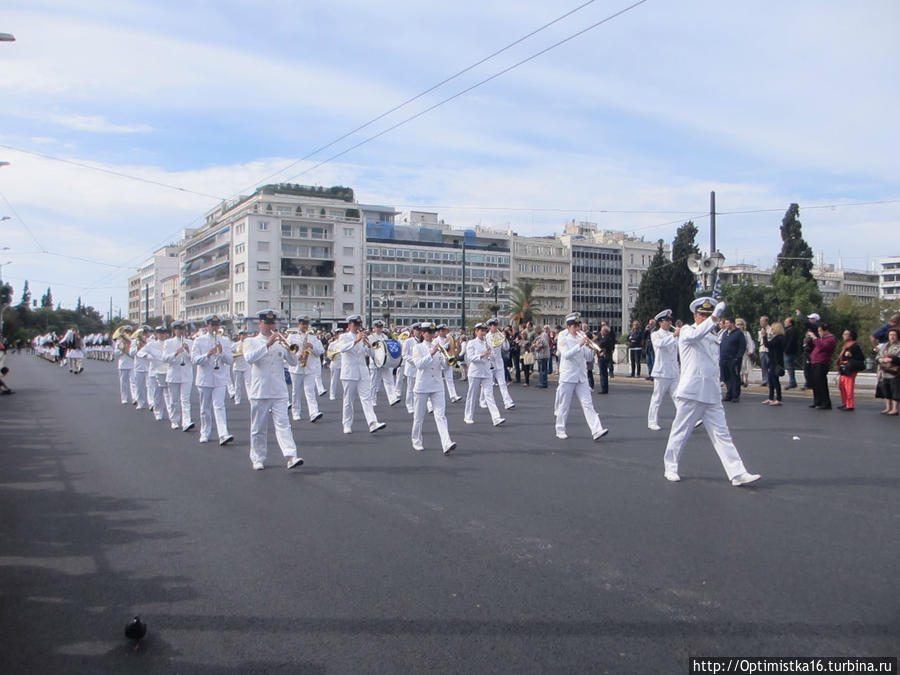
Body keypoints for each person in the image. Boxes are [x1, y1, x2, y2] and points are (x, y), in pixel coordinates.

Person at [662, 298, 761, 486]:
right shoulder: (687, 331)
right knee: (681, 431)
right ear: (695, 315)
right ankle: (670, 466)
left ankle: (737, 473)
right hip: (692, 391)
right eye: (703, 314)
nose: (706, 317)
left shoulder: (713, 336)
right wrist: (715, 317)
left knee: (722, 434)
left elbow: (713, 365)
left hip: (711, 393)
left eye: (708, 314)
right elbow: (697, 333)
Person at [243, 309, 304, 470]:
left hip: (279, 390)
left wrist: (293, 352)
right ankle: (258, 457)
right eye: (267, 323)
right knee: (258, 427)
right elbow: (249, 358)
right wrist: (268, 343)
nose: (270, 326)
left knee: (283, 424)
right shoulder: (251, 341)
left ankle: (291, 456)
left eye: (272, 323)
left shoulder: (280, 342)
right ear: (260, 324)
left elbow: (292, 362)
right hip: (260, 390)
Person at [554, 314, 608, 441]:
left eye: (578, 326)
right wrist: (580, 344)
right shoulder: (563, 336)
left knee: (588, 404)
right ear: (568, 327)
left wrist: (593, 349)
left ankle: (596, 430)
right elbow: (566, 355)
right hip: (568, 375)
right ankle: (560, 429)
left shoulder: (582, 335)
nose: (577, 328)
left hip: (581, 376)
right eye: (574, 326)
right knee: (564, 405)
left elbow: (587, 357)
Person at [410, 322, 456, 454]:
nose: (432, 335)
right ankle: (416, 440)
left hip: (437, 385)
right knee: (419, 416)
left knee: (441, 415)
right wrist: (431, 353)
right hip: (422, 385)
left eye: (433, 332)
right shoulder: (417, 348)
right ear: (423, 334)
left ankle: (446, 443)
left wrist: (448, 358)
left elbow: (444, 367)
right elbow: (419, 365)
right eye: (429, 333)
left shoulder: (438, 348)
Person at [336, 315, 387, 434]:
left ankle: (372, 422)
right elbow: (342, 349)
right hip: (349, 372)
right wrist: (357, 340)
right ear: (349, 325)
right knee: (348, 400)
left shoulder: (364, 338)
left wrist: (370, 345)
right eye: (355, 325)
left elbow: (369, 352)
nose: (358, 327)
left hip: (362, 371)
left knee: (366, 398)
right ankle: (347, 424)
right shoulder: (344, 337)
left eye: (359, 325)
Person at [190, 315, 234, 445]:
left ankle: (223, 434)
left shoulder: (225, 341)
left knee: (219, 406)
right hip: (205, 378)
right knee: (205, 408)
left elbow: (230, 360)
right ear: (207, 326)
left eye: (216, 325)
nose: (214, 328)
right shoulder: (199, 341)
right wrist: (208, 354)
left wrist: (221, 352)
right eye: (212, 325)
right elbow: (194, 360)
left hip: (219, 378)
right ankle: (205, 432)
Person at [463, 323, 505, 427]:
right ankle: (468, 416)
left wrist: (492, 352)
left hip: (487, 372)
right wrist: (482, 355)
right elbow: (470, 358)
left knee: (489, 395)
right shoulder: (471, 343)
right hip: (475, 372)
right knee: (472, 395)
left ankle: (496, 418)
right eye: (481, 330)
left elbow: (493, 356)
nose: (483, 333)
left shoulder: (488, 343)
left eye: (484, 331)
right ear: (476, 332)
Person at [288, 316, 325, 423]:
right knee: (296, 391)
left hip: (309, 367)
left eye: (306, 324)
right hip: (296, 368)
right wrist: (296, 356)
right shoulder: (292, 336)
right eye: (303, 324)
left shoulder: (312, 337)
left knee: (310, 391)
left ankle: (314, 412)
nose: (305, 326)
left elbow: (321, 351)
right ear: (299, 324)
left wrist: (312, 346)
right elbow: (288, 350)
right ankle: (296, 412)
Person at [647, 310, 680, 430]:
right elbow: (660, 344)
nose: (669, 323)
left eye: (670, 320)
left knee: (678, 397)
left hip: (674, 371)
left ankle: (685, 419)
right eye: (667, 321)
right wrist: (674, 335)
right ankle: (652, 421)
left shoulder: (673, 335)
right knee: (657, 398)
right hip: (661, 371)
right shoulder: (656, 334)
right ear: (660, 323)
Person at [163, 320, 194, 431]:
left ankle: (187, 421)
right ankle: (175, 420)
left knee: (185, 400)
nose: (181, 331)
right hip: (173, 374)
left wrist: (188, 351)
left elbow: (194, 360)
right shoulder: (168, 343)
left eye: (183, 329)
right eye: (179, 329)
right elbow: (164, 358)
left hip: (186, 375)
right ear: (174, 330)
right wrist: (176, 353)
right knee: (174, 400)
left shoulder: (190, 342)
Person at [137, 326, 171, 422]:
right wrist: (147, 356)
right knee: (157, 393)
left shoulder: (169, 343)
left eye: (164, 333)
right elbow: (140, 353)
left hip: (167, 371)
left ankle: (170, 413)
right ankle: (158, 412)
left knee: (168, 394)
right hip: (155, 371)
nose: (163, 335)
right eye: (160, 333)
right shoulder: (151, 345)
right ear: (156, 334)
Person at [485, 318, 515, 409]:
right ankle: (483, 400)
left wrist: (505, 339)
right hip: (490, 362)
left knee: (502, 383)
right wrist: (499, 339)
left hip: (499, 362)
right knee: (488, 384)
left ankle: (507, 402)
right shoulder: (487, 336)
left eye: (496, 325)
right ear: (490, 327)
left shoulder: (499, 335)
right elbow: (493, 347)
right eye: (493, 325)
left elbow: (506, 348)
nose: (495, 327)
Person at [808, 322, 836, 410]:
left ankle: (825, 402)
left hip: (822, 362)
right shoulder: (821, 339)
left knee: (821, 383)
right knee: (815, 383)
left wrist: (815, 338)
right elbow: (814, 346)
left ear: (826, 331)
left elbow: (822, 347)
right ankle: (817, 401)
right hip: (814, 361)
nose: (819, 333)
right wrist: (809, 340)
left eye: (820, 331)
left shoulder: (831, 339)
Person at [836, 328, 865, 411]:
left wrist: (851, 355)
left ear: (851, 336)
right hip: (843, 367)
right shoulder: (846, 345)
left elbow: (861, 357)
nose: (843, 336)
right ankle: (845, 403)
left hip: (850, 368)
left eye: (846, 334)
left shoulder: (855, 346)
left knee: (848, 387)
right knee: (842, 386)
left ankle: (850, 404)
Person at [718, 317, 745, 403]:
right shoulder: (725, 333)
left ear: (732, 323)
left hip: (733, 359)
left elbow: (742, 347)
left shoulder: (738, 333)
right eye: (725, 323)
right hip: (724, 359)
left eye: (727, 323)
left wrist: (738, 357)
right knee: (726, 377)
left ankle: (735, 395)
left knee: (734, 377)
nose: (726, 325)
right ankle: (729, 394)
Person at [877, 327, 900, 416]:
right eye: (890, 335)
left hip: (895, 372)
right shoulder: (884, 345)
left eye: (894, 335)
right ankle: (887, 407)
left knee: (895, 390)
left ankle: (895, 409)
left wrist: (891, 359)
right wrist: (880, 359)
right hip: (883, 371)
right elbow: (877, 356)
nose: (892, 337)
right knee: (886, 390)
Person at [435, 324, 461, 402]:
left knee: (450, 379)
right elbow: (437, 351)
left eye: (445, 331)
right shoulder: (435, 340)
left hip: (448, 361)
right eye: (442, 331)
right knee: (437, 380)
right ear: (439, 332)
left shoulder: (449, 339)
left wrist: (456, 343)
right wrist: (445, 347)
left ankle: (453, 396)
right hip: (439, 362)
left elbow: (454, 349)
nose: (444, 332)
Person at [761, 322, 785, 406]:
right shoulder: (776, 338)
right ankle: (770, 398)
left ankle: (779, 399)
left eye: (773, 329)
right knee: (771, 380)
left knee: (775, 380)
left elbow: (767, 344)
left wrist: (764, 336)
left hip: (776, 362)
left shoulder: (779, 338)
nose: (772, 330)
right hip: (773, 361)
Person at [115, 327, 134, 405]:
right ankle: (124, 398)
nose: (127, 333)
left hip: (132, 363)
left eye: (129, 332)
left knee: (133, 382)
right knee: (124, 383)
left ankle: (135, 398)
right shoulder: (119, 342)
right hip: (123, 364)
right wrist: (122, 350)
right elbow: (116, 353)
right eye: (126, 332)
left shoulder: (133, 341)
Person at [734, 318, 755, 388]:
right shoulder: (734, 333)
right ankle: (740, 379)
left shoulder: (746, 333)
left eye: (741, 324)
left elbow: (750, 342)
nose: (739, 326)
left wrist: (750, 351)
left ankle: (746, 380)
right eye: (738, 324)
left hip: (745, 352)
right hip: (737, 352)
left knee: (745, 365)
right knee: (739, 366)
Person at [232, 330, 250, 404]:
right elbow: (230, 353)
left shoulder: (249, 344)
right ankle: (237, 399)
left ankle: (250, 398)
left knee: (248, 383)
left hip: (246, 365)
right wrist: (236, 354)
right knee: (237, 384)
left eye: (244, 335)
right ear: (239, 336)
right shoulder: (235, 344)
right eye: (241, 335)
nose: (243, 336)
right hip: (237, 365)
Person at [596, 326, 615, 394]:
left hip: (604, 357)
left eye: (602, 330)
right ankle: (604, 388)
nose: (601, 332)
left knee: (603, 373)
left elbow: (600, 344)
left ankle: (604, 388)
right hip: (602, 356)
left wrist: (596, 340)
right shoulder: (604, 337)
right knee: (603, 373)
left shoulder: (607, 338)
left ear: (605, 331)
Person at [783, 316, 800, 389]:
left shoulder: (791, 331)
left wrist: (786, 350)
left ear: (790, 323)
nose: (785, 323)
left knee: (790, 367)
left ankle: (792, 382)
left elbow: (790, 341)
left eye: (786, 322)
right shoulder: (792, 330)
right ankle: (792, 381)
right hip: (791, 351)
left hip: (789, 351)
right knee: (790, 367)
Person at [757, 316, 771, 387]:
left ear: (766, 322)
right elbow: (759, 340)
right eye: (760, 321)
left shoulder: (770, 329)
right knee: (763, 365)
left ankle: (770, 380)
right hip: (762, 348)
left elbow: (770, 338)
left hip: (768, 349)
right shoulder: (760, 330)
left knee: (769, 365)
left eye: (762, 321)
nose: (761, 322)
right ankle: (765, 380)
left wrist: (765, 334)